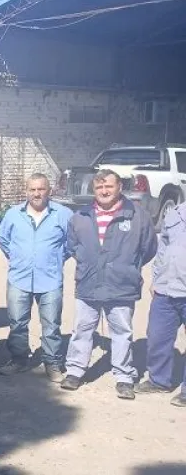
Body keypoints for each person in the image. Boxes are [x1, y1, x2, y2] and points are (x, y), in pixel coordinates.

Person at [61, 169, 157, 399]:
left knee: (122, 332)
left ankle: (124, 377)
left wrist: (128, 266)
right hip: (89, 282)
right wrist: (88, 262)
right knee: (82, 329)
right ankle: (75, 371)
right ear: (94, 190)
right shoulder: (80, 216)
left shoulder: (137, 216)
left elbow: (149, 248)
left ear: (119, 188)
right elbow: (73, 246)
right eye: (99, 187)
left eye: (109, 187)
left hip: (122, 285)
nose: (104, 191)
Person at [0, 174, 73, 382]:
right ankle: (19, 360)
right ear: (26, 191)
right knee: (17, 323)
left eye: (41, 189)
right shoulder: (13, 214)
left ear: (50, 191)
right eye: (32, 189)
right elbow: (3, 240)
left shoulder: (63, 214)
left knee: (51, 324)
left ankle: (52, 363)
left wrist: (54, 259)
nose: (36, 194)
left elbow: (71, 243)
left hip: (50, 279)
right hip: (19, 278)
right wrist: (19, 258)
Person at [137, 198, 186, 406]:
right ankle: (159, 380)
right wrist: (155, 278)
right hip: (166, 287)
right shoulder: (175, 213)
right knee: (157, 336)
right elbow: (163, 247)